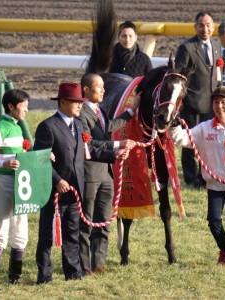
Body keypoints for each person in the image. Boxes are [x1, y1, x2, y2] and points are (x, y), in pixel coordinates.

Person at [33, 82, 124, 284]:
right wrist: (57, 180)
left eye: (81, 102)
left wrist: (114, 154)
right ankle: (44, 275)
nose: (80, 106)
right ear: (63, 102)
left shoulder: (78, 125)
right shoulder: (47, 127)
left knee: (72, 232)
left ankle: (73, 272)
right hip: (52, 191)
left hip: (75, 190)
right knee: (47, 235)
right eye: (76, 102)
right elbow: (39, 159)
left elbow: (89, 152)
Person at [170, 86, 225, 266]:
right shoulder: (205, 129)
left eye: (224, 103)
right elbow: (183, 139)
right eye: (216, 102)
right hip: (214, 186)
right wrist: (173, 125)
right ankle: (224, 248)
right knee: (214, 222)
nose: (220, 106)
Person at [78, 73, 139, 275]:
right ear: (86, 90)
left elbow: (109, 127)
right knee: (87, 221)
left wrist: (131, 110)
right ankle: (84, 265)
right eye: (99, 87)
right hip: (89, 174)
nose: (104, 90)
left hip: (106, 174)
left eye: (103, 87)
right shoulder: (80, 113)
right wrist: (117, 145)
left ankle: (99, 263)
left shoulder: (100, 110)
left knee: (104, 220)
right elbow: (89, 143)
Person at [0, 89, 30, 290]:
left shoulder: (18, 128)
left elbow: (20, 157)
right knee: (1, 232)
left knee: (21, 233)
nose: (27, 109)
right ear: (11, 106)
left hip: (20, 184)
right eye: (23, 105)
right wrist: (5, 162)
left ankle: (15, 277)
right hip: (2, 182)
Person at [174, 12, 221, 188]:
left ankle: (205, 175)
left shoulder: (216, 46)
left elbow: (218, 74)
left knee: (209, 139)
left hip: (212, 103)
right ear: (195, 27)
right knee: (190, 141)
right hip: (192, 102)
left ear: (213, 26)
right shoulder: (186, 48)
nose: (205, 29)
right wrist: (182, 100)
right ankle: (190, 177)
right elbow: (179, 76)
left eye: (208, 25)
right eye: (201, 25)